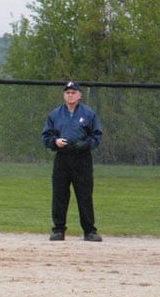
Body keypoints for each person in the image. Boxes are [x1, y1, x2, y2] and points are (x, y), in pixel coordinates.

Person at [41, 81, 103, 242]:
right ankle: (58, 230)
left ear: (79, 95)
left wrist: (86, 144)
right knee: (60, 195)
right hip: (62, 157)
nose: (70, 95)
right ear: (64, 95)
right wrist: (55, 142)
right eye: (67, 92)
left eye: (73, 92)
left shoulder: (88, 114)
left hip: (82, 159)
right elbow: (46, 136)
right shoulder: (55, 114)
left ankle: (89, 231)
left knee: (84, 195)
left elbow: (97, 136)